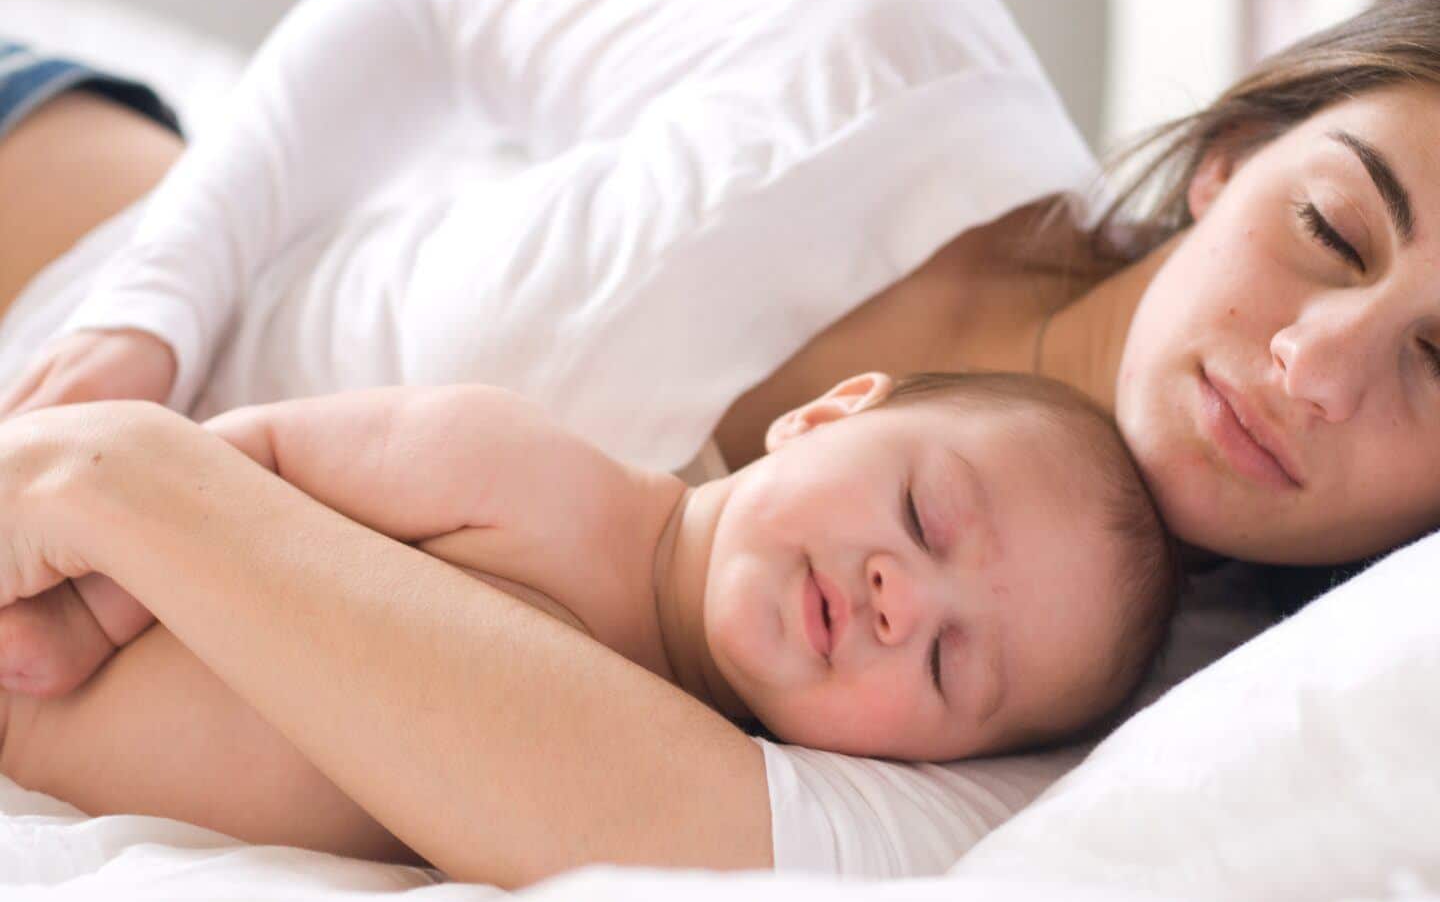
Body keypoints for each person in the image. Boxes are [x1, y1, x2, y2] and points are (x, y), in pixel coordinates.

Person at [1, 0, 1439, 885]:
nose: (1312, 365)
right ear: (1236, 160)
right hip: (53, 189)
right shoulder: (903, 60)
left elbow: (673, 841)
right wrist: (151, 312)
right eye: (1328, 228)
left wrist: (123, 485)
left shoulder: (1151, 716)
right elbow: (436, 3)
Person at [0, 369, 1177, 858]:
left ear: (931, 764)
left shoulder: (673, 790)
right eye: (923, 511)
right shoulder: (528, 477)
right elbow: (246, 459)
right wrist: (86, 617)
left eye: (948, 661)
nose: (899, 598)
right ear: (825, 415)